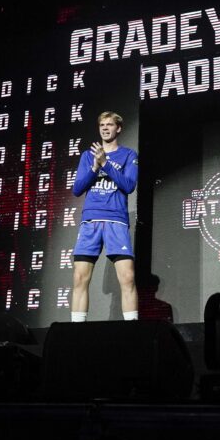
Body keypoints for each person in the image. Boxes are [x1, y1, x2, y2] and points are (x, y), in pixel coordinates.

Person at [70, 111, 139, 322]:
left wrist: (106, 164)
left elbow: (129, 186)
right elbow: (77, 189)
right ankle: (76, 330)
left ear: (118, 129)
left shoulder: (129, 155)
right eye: (102, 125)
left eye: (110, 125)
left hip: (116, 220)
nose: (105, 128)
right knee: (80, 277)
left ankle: (132, 329)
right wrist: (94, 167)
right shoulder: (87, 156)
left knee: (127, 277)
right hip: (91, 221)